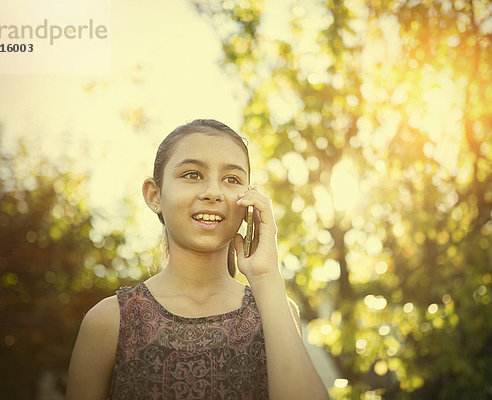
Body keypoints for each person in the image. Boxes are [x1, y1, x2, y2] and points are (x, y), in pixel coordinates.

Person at [66, 119, 329, 400]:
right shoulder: (108, 321)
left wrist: (267, 277)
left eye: (231, 179)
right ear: (154, 195)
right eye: (192, 175)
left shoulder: (276, 310)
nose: (213, 193)